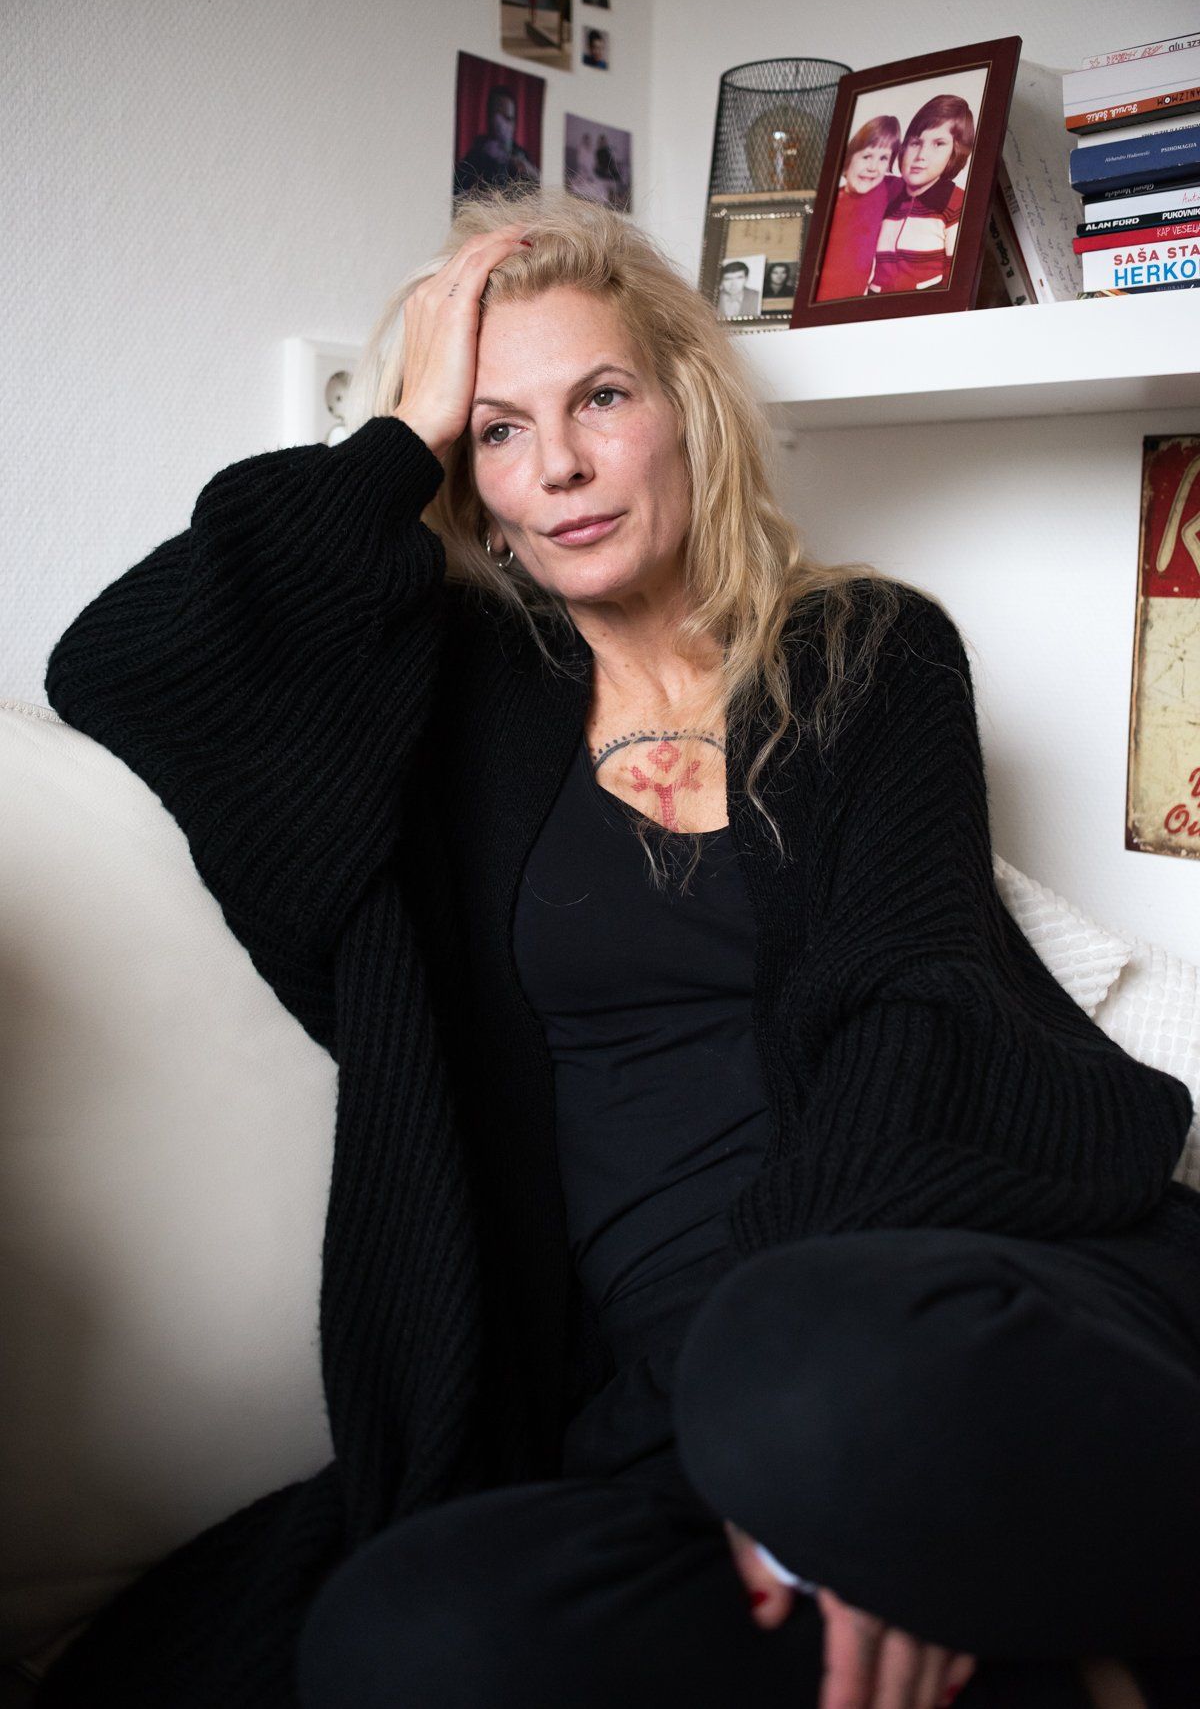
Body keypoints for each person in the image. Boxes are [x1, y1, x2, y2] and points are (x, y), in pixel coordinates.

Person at [36, 185, 1200, 1709]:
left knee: (811, 1367)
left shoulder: (867, 651)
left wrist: (820, 1444)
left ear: (685, 408)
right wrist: (396, 436)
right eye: (498, 430)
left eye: (599, 398)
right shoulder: (452, 702)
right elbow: (130, 664)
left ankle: (881, 1499)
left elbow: (910, 1004)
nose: (561, 466)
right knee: (408, 1631)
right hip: (650, 1405)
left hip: (923, 1292)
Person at [870, 94, 974, 295]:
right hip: (875, 300)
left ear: (955, 153)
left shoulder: (956, 203)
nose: (921, 156)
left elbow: (956, 279)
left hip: (925, 304)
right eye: (916, 143)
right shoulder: (885, 194)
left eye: (938, 144)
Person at [815, 115, 903, 301]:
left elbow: (925, 182)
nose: (873, 167)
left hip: (851, 305)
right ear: (849, 159)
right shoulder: (829, 202)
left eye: (883, 158)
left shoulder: (889, 189)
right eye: (867, 156)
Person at [453, 84, 541, 198]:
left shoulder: (522, 156)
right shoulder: (476, 155)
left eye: (509, 118)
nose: (504, 125)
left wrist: (531, 172)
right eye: (499, 117)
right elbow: (456, 192)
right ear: (490, 118)